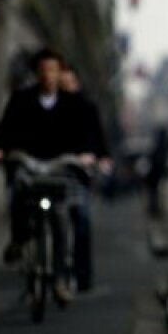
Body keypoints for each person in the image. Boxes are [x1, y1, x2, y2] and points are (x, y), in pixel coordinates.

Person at [0, 48, 96, 303]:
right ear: (36, 73)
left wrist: (86, 154)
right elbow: (5, 128)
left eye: (53, 70)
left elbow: (86, 135)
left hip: (59, 168)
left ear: (60, 73)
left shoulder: (73, 104)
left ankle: (59, 277)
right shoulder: (21, 100)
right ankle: (17, 240)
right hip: (30, 164)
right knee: (18, 193)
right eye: (43, 70)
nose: (48, 75)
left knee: (60, 218)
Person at [58, 64, 109, 292]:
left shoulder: (87, 108)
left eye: (69, 84)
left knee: (82, 221)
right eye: (62, 85)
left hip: (78, 173)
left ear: (76, 84)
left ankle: (83, 275)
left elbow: (97, 136)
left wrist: (100, 157)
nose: (65, 89)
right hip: (52, 173)